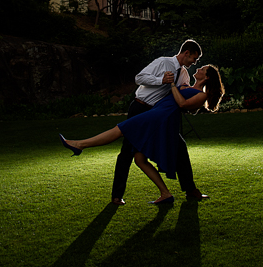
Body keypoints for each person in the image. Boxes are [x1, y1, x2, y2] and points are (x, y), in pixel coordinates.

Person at [60, 64, 225, 204]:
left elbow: (182, 104)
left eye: (202, 68)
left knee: (120, 129)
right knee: (139, 159)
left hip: (159, 118)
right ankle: (165, 194)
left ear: (207, 77)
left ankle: (79, 144)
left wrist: (172, 85)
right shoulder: (188, 86)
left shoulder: (201, 95)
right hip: (157, 113)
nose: (198, 68)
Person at [111, 39, 203, 205]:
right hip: (140, 108)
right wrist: (161, 80)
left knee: (180, 146)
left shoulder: (183, 75)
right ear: (186, 53)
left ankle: (190, 190)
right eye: (194, 59)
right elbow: (139, 78)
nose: (194, 62)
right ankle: (117, 195)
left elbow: (183, 95)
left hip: (158, 115)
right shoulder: (163, 62)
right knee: (127, 151)